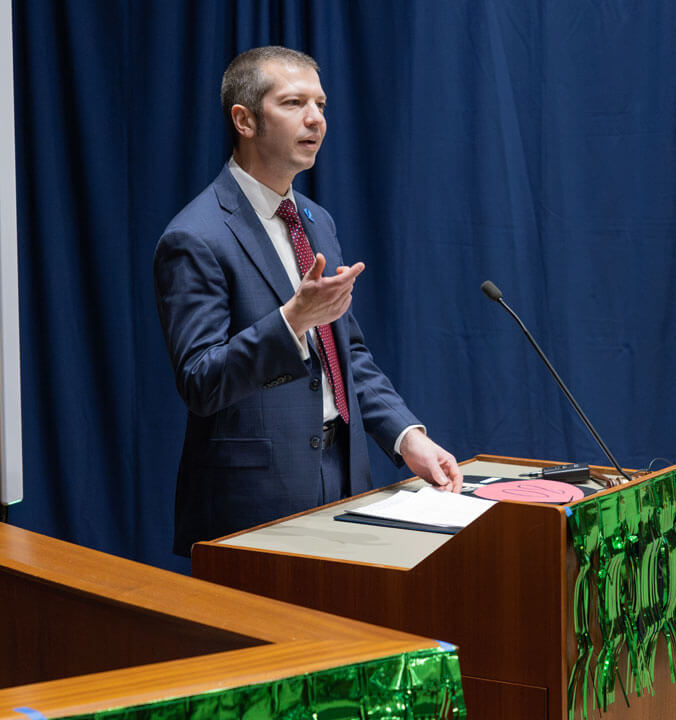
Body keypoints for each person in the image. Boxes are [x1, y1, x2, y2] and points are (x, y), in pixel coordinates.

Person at [154, 46, 463, 556]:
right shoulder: (195, 235)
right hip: (252, 502)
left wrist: (408, 437)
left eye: (320, 104)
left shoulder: (317, 221)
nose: (315, 118)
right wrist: (290, 321)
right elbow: (200, 381)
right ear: (245, 120)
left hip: (344, 479)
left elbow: (346, 356)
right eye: (295, 103)